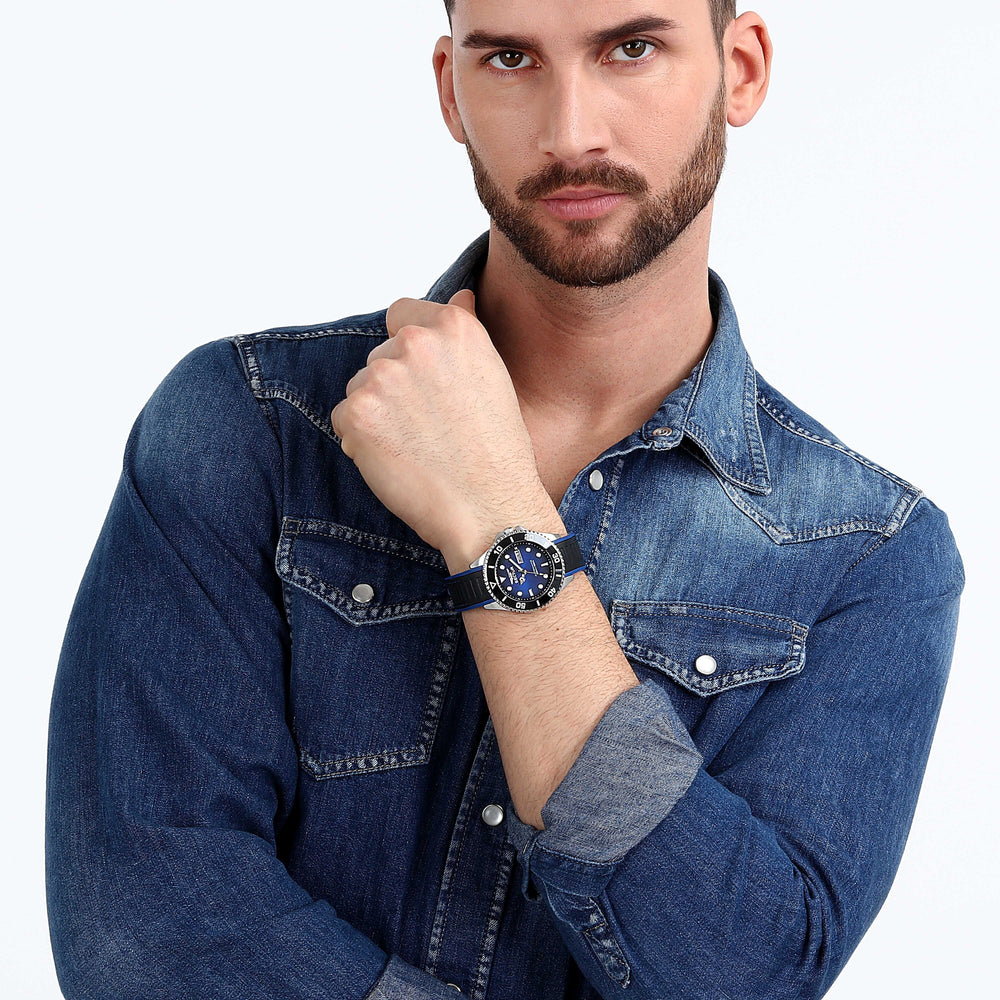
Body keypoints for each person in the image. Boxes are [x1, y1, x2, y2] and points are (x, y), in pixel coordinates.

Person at [45, 1, 964, 998]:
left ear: (739, 70)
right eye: (512, 59)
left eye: (632, 49)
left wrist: (495, 519)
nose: (571, 132)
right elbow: (142, 931)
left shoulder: (866, 553)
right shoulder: (252, 426)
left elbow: (741, 976)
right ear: (451, 89)